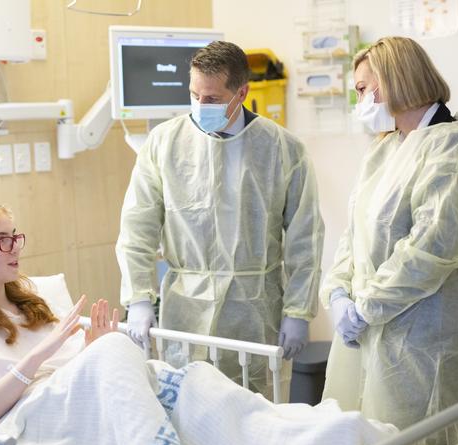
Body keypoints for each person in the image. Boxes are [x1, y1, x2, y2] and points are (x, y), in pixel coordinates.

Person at [0, 201, 420, 445]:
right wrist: (44, 358)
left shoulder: (33, 307)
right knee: (118, 350)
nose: (16, 250)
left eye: (17, 237)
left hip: (98, 406)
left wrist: (91, 351)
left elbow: (95, 380)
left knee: (243, 413)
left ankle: (324, 439)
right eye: (2, 241)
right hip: (31, 430)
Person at [116, 40, 324, 399]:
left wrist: (298, 312)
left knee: (254, 411)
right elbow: (138, 227)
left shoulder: (282, 149)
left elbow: (305, 238)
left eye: (211, 98)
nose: (199, 105)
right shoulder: (164, 143)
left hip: (255, 311)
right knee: (186, 407)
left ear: (241, 92)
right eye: (194, 94)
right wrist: (138, 299)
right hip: (185, 311)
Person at [320, 36, 458, 445]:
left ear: (395, 80)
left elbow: (429, 247)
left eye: (365, 88)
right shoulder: (385, 148)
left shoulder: (451, 146)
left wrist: (366, 308)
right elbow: (355, 231)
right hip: (373, 330)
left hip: (425, 337)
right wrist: (337, 291)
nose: (361, 100)